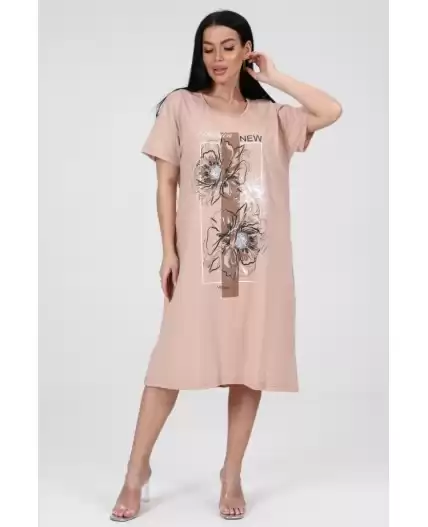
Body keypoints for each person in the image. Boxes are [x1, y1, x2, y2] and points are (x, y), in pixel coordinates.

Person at [110, 8, 342, 523]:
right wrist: (169, 251)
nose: (217, 57)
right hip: (201, 263)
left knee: (248, 365)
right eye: (208, 48)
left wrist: (274, 78)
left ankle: (231, 473)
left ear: (247, 51)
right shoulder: (181, 106)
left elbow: (331, 110)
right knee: (168, 365)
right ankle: (135, 470)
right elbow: (165, 184)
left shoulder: (273, 116)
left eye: (229, 47)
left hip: (261, 268)